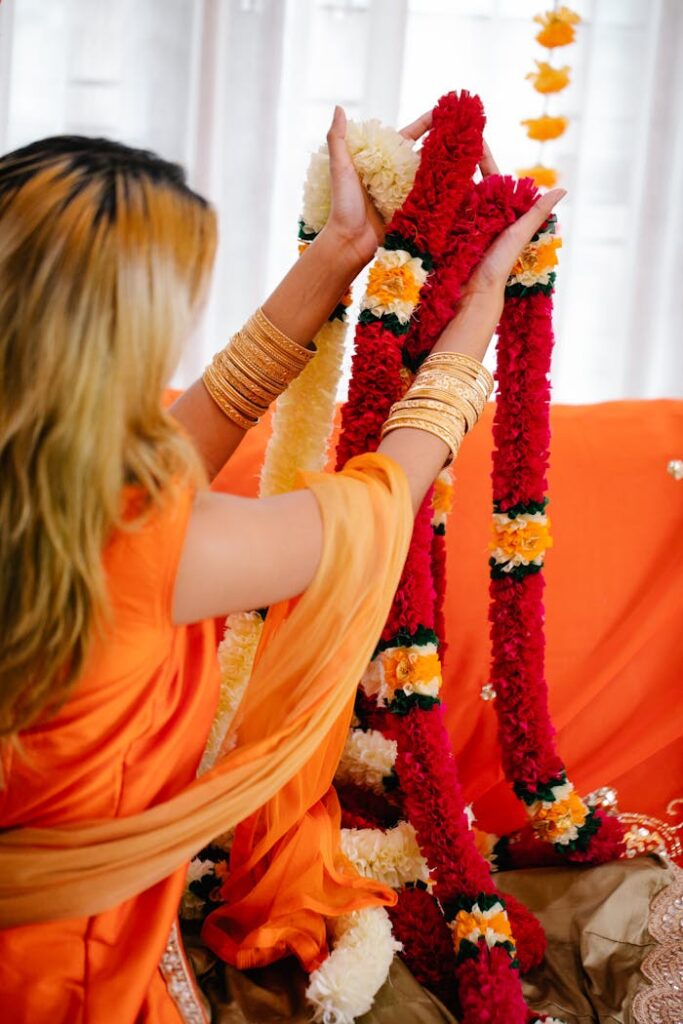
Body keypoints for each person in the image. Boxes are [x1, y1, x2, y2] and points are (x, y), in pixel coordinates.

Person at [0, 107, 564, 1022]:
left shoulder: (53, 495)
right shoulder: (142, 545)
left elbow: (167, 463)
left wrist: (340, 252)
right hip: (58, 979)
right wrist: (477, 308)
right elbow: (374, 509)